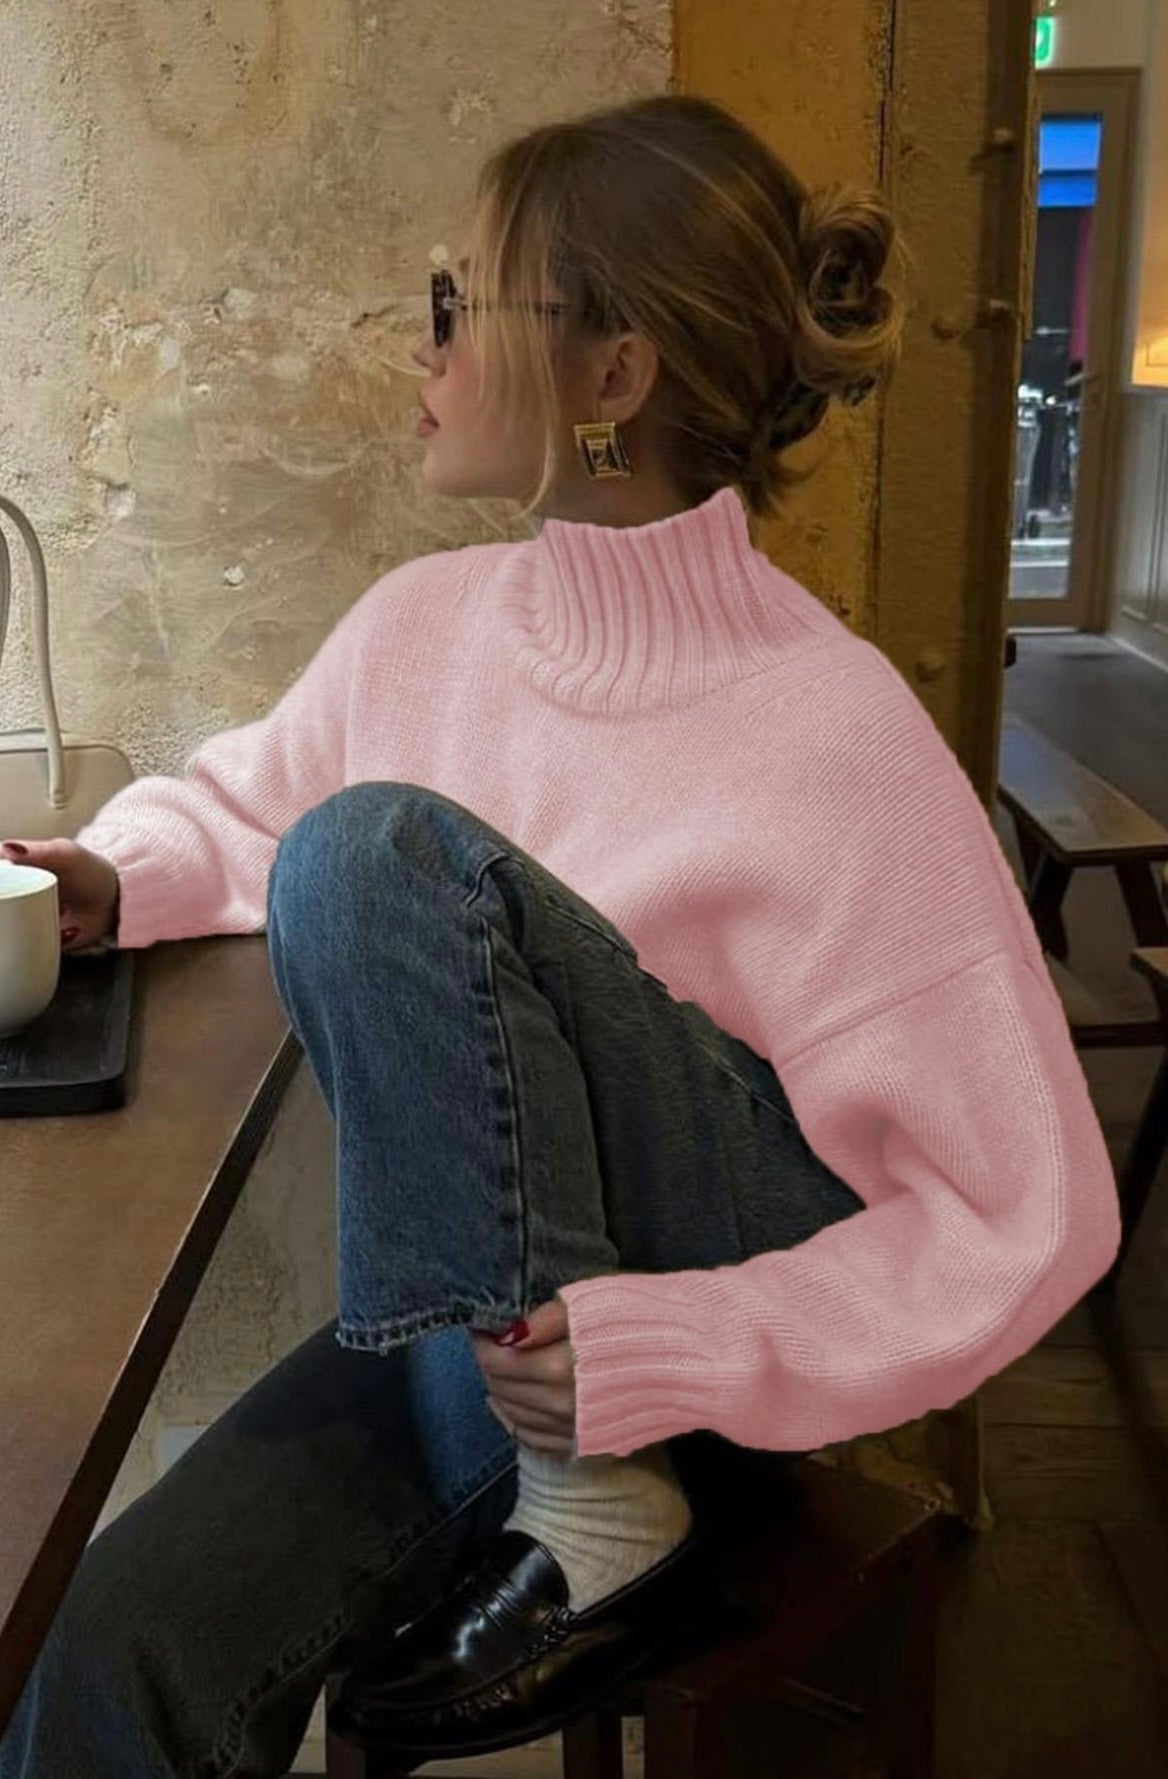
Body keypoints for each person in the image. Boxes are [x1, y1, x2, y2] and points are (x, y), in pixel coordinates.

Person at [0, 93, 1120, 1776]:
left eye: (462, 302)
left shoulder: (837, 732)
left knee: (370, 848)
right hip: (499, 1333)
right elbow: (250, 814)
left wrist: (688, 1346)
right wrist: (111, 877)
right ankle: (570, 1475)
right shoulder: (427, 626)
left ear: (613, 377)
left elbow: (1023, 1208)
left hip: (726, 1319)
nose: (422, 343)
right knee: (103, 1657)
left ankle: (595, 1501)